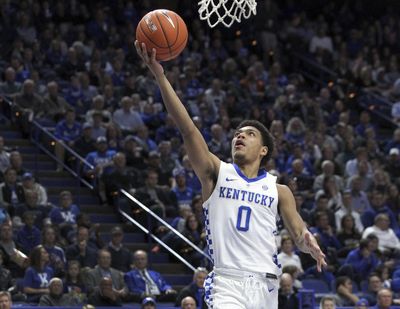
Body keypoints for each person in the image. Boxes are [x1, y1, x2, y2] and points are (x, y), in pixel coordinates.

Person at [135, 42, 326, 309]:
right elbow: (188, 129)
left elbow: (298, 232)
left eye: (249, 133)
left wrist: (309, 242)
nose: (240, 135)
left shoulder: (279, 190)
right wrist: (160, 77)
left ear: (263, 150)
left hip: (266, 286)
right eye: (238, 132)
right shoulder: (216, 172)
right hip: (227, 282)